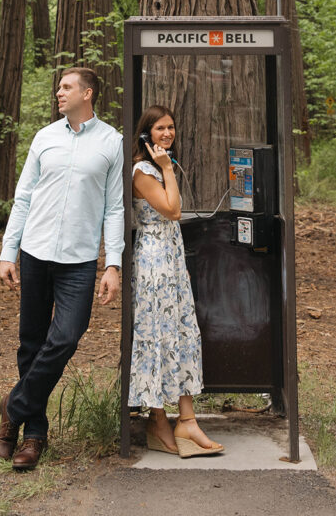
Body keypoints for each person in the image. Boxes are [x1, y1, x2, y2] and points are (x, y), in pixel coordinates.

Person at [0, 67, 124, 471]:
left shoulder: (112, 142)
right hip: (35, 252)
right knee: (31, 342)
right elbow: (23, 197)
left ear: (88, 93)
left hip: (80, 260)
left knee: (67, 336)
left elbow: (115, 207)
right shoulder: (44, 138)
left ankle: (12, 406)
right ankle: (34, 434)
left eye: (66, 87)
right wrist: (8, 250)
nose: (58, 92)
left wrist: (113, 263)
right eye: (59, 87)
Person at [129, 105, 224, 457]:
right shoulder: (143, 171)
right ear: (146, 134)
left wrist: (166, 168)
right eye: (159, 129)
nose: (167, 134)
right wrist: (168, 168)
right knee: (157, 334)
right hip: (154, 261)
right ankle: (158, 418)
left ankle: (187, 419)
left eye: (170, 128)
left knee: (181, 332)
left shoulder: (158, 168)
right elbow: (172, 210)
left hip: (171, 258)